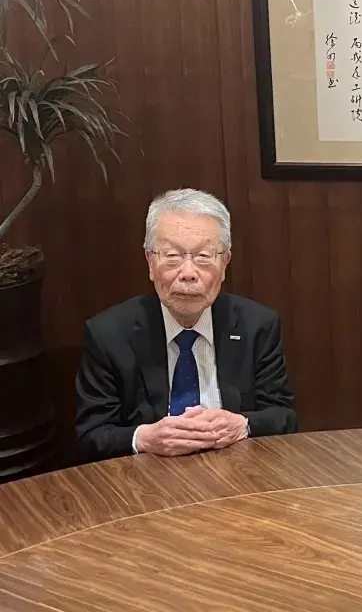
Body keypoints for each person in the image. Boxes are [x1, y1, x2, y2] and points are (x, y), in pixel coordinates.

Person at [75, 188, 298, 461]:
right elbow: (91, 435)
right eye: (172, 256)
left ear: (225, 263)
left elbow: (283, 416)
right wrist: (146, 438)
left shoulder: (257, 326)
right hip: (147, 482)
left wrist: (242, 424)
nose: (189, 274)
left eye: (204, 256)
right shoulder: (109, 335)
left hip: (238, 473)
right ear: (150, 261)